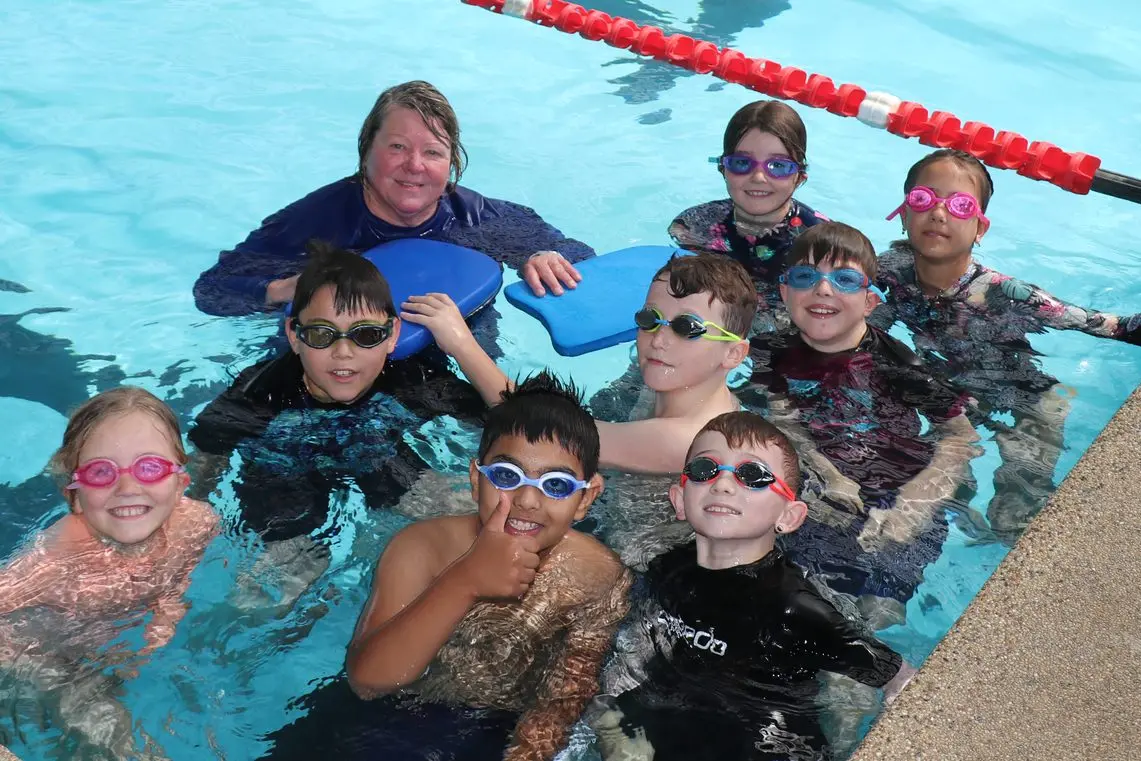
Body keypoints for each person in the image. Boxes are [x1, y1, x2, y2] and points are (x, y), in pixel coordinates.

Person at [262, 373, 630, 760]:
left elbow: (566, 693)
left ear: (587, 498)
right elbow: (369, 681)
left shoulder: (598, 574)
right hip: (384, 717)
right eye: (506, 476)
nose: (527, 500)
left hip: (493, 729)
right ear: (476, 479)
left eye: (556, 485)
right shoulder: (421, 547)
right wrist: (463, 580)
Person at [587, 411, 912, 761]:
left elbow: (900, 678)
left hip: (763, 740)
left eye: (752, 475)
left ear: (788, 516)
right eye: (704, 470)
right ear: (680, 499)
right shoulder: (668, 568)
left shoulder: (791, 609)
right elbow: (640, 640)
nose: (723, 484)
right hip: (679, 711)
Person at [873, 148, 1141, 544]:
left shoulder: (1005, 293)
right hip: (956, 395)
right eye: (924, 198)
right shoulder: (888, 273)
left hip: (1030, 399)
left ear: (980, 228)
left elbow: (1103, 325)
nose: (939, 213)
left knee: (1015, 512)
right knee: (934, 484)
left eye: (961, 205)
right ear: (904, 212)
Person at [192, 79, 591, 319]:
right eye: (397, 147)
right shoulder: (315, 222)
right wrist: (280, 290)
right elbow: (211, 291)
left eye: (432, 152)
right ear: (366, 151)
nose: (414, 166)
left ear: (451, 164)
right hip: (329, 359)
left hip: (453, 357)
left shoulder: (478, 219)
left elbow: (579, 256)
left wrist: (543, 256)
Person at [740, 222, 980, 618]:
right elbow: (781, 422)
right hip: (822, 493)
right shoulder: (769, 353)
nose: (823, 289)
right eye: (805, 277)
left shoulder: (898, 363)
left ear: (869, 302)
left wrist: (916, 502)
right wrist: (827, 476)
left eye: (845, 280)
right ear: (784, 293)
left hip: (899, 489)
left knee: (881, 608)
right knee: (790, 601)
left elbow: (960, 437)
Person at [188, 241, 488, 543]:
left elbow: (514, 420)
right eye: (321, 334)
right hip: (285, 467)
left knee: (452, 505)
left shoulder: (413, 378)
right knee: (288, 563)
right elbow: (206, 456)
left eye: (367, 334)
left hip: (377, 454)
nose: (343, 352)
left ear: (392, 335)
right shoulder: (258, 393)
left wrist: (463, 345)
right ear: (294, 335)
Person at [0, 387, 218, 758]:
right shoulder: (55, 559)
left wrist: (165, 619)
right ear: (74, 495)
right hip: (29, 652)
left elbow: (178, 576)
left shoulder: (198, 523)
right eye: (101, 472)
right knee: (111, 732)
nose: (128, 488)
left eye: (150, 468)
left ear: (180, 482)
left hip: (96, 648)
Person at [402, 252, 757, 475]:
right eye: (650, 319)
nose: (659, 339)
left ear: (733, 354)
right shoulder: (687, 379)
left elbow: (536, 425)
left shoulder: (687, 440)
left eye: (687, 327)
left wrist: (460, 342)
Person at [668, 100, 827, 333]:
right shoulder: (693, 226)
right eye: (742, 163)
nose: (759, 177)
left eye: (778, 166)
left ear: (800, 176)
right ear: (723, 169)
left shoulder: (821, 242)